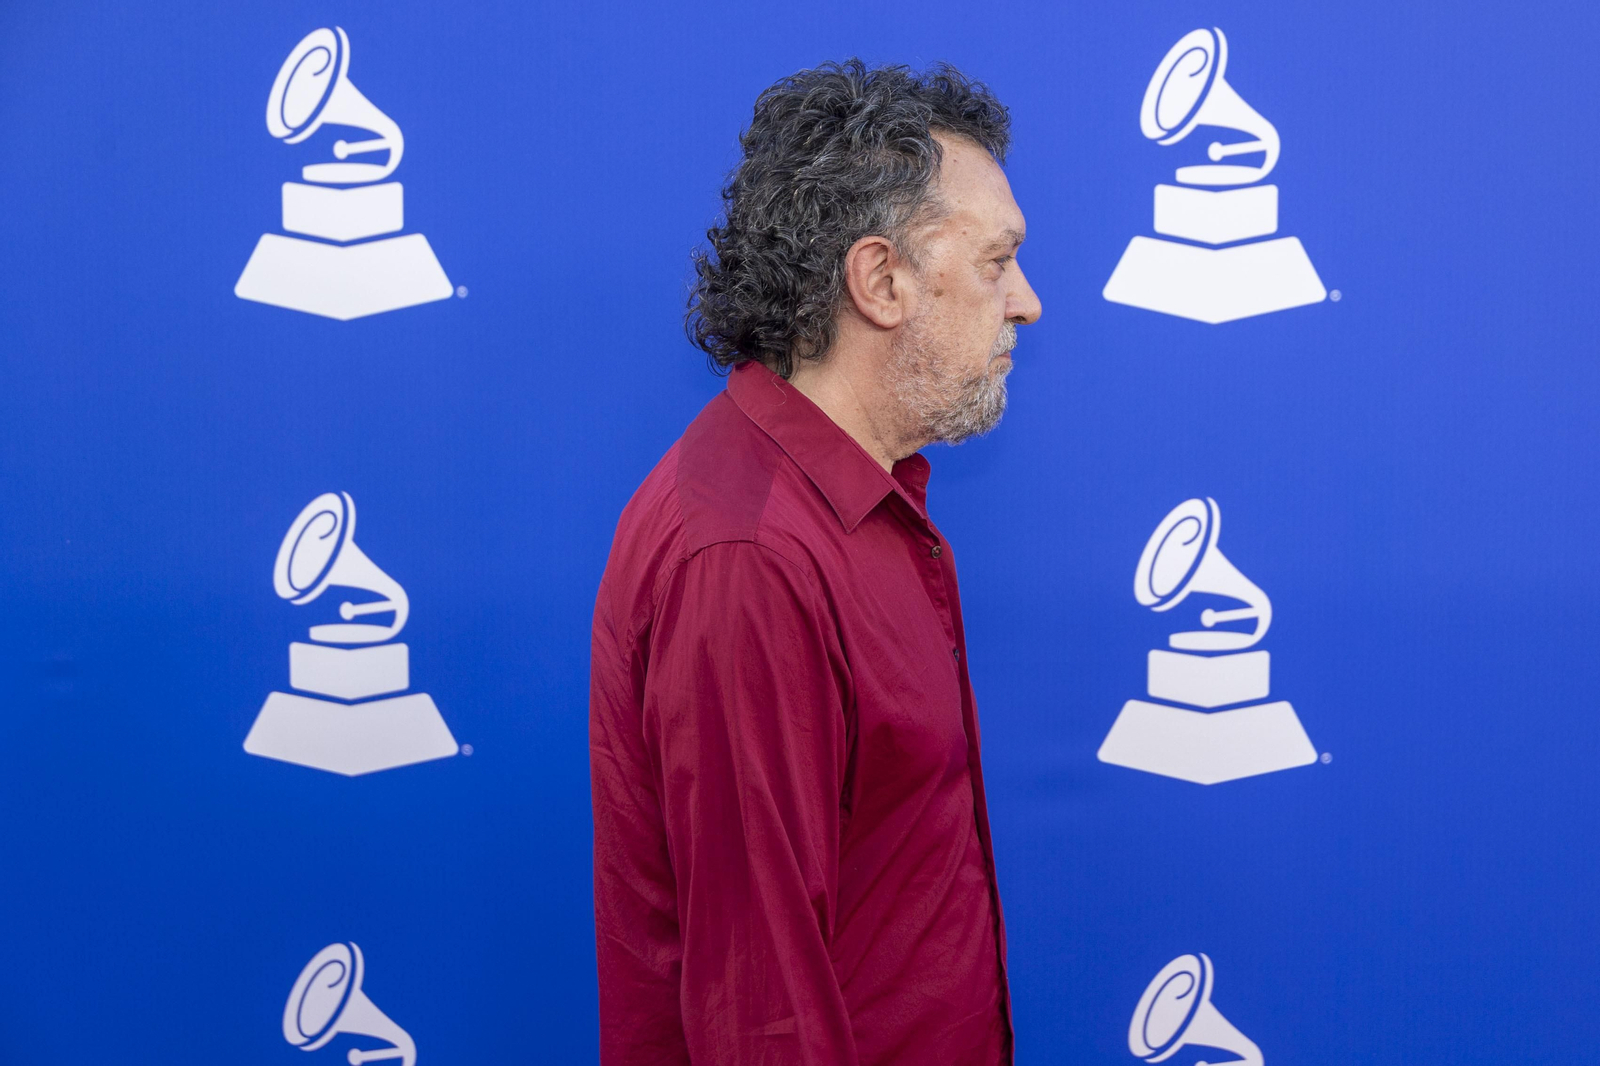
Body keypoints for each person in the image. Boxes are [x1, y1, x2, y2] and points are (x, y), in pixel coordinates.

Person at [590, 59, 1042, 1066]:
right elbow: (761, 1014)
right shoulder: (747, 558)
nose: (1026, 303)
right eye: (995, 261)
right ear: (880, 281)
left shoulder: (855, 508)